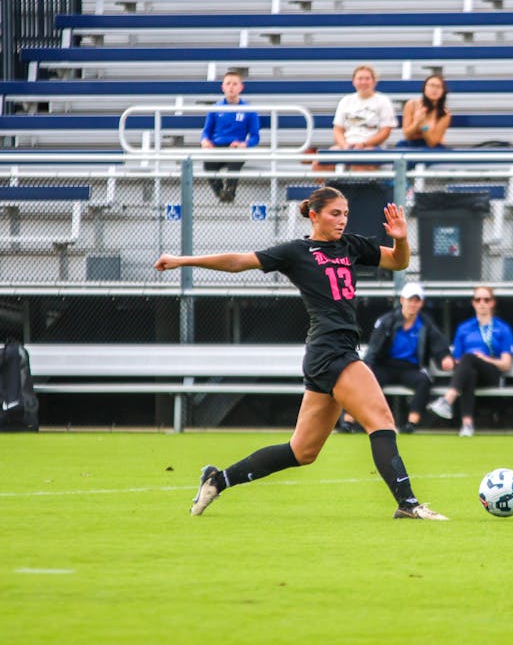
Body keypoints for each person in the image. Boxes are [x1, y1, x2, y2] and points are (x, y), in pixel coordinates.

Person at [154, 186, 448, 521]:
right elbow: (240, 261)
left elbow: (398, 262)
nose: (342, 220)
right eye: (335, 213)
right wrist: (183, 260)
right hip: (331, 351)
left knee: (302, 451)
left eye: (346, 214)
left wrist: (401, 238)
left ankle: (217, 480)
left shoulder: (351, 245)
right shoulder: (297, 251)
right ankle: (408, 504)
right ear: (314, 214)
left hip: (333, 353)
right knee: (381, 420)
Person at [362, 281, 455, 433]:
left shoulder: (426, 324)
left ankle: (411, 424)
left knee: (423, 381)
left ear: (421, 303)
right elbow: (374, 347)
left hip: (410, 368)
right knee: (367, 380)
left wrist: (445, 357)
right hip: (386, 366)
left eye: (417, 300)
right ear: (402, 300)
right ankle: (357, 422)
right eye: (410, 299)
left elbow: (439, 344)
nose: (413, 303)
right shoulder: (388, 321)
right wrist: (367, 365)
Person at [427, 286, 513, 436]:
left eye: (486, 299)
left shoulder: (503, 328)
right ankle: (467, 425)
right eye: (478, 299)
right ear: (473, 303)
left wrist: (485, 358)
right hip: (468, 372)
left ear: (492, 303)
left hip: (492, 372)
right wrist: (449, 361)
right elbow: (458, 359)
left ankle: (447, 400)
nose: (482, 303)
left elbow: (506, 364)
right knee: (469, 371)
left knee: (469, 358)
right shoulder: (464, 328)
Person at [314, 65, 397, 172]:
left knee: (359, 163)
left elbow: (385, 131)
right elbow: (338, 129)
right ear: (354, 81)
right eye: (360, 78)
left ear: (374, 81)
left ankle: (356, 189)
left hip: (372, 146)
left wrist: (364, 144)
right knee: (320, 163)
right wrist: (344, 145)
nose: (363, 82)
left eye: (367, 78)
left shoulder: (383, 101)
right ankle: (327, 188)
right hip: (347, 144)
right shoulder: (346, 101)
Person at [200, 70, 260, 202]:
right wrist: (205, 141)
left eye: (234, 84)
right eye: (228, 84)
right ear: (223, 87)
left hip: (235, 148)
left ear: (241, 87)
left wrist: (245, 144)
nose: (231, 87)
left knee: (235, 162)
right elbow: (206, 131)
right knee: (208, 165)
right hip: (217, 147)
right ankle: (221, 193)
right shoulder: (215, 108)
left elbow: (255, 136)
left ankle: (230, 191)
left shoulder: (249, 110)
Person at [396, 75, 452, 149]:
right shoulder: (411, 104)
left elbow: (432, 143)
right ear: (424, 87)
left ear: (443, 91)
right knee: (401, 145)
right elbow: (407, 135)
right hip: (412, 143)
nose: (434, 89)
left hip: (432, 146)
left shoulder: (445, 113)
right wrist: (417, 123)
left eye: (438, 87)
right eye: (431, 85)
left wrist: (424, 126)